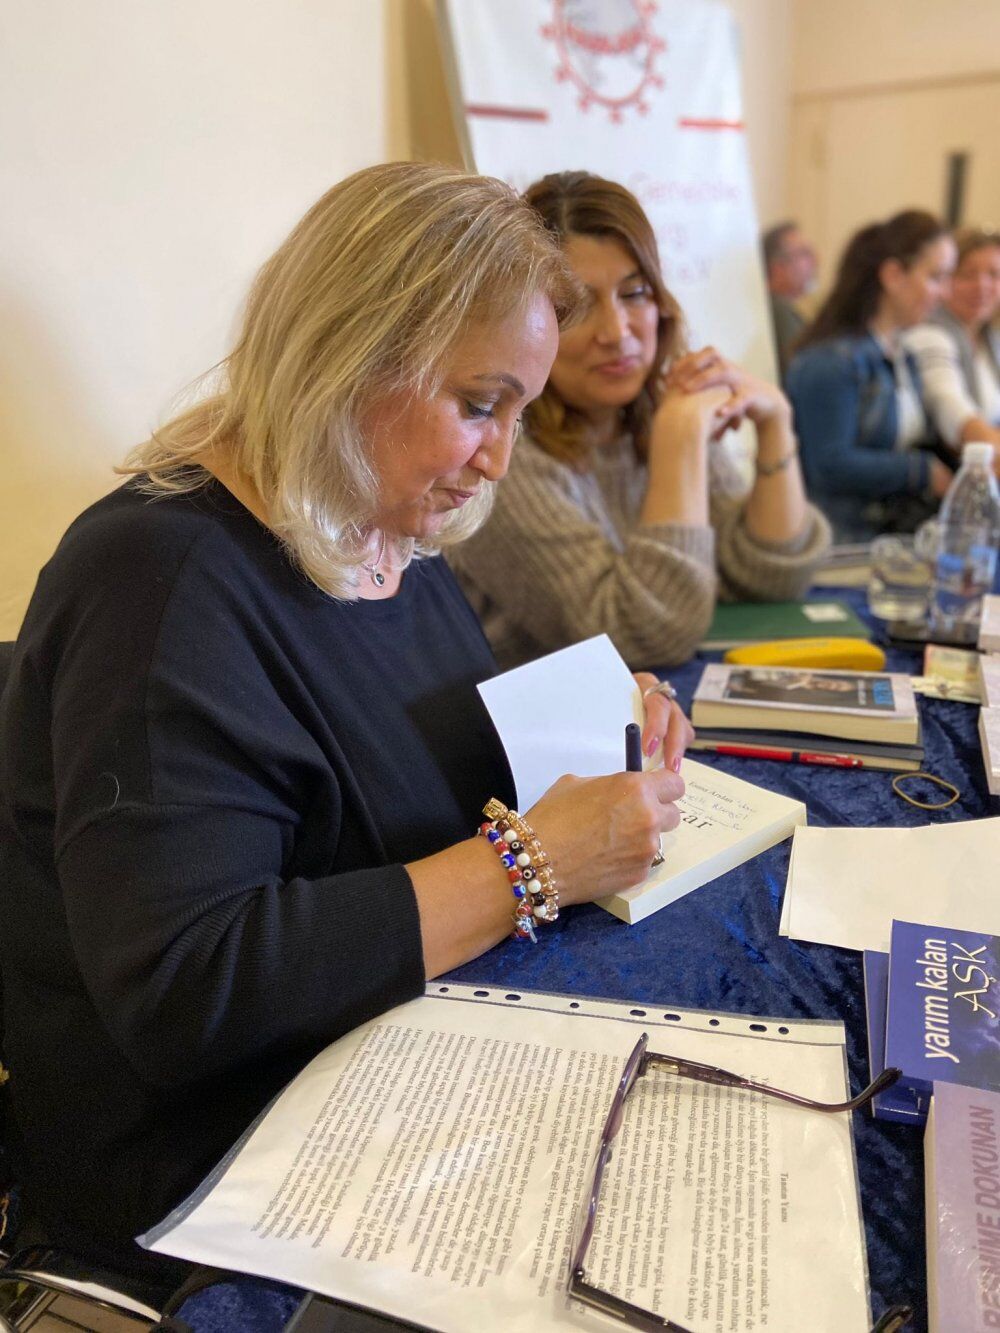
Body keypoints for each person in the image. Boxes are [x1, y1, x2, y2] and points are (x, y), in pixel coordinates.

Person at [0, 163, 693, 1285]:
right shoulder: (158, 581)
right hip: (215, 1160)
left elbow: (407, 751)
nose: (500, 458)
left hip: (388, 1052)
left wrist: (593, 720)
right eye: (479, 405)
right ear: (351, 357)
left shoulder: (382, 520)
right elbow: (189, 988)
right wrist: (530, 866)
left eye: (519, 411)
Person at [448, 171, 831, 672]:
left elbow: (769, 576)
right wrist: (678, 444)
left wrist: (776, 422)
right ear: (531, 322)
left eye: (634, 294)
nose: (616, 332)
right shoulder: (502, 453)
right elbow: (638, 636)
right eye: (578, 305)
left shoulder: (655, 411)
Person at [785, 210, 956, 542]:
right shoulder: (830, 362)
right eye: (936, 277)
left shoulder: (902, 353)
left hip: (885, 536)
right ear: (893, 275)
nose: (944, 293)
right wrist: (921, 471)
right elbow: (829, 465)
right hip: (839, 543)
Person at [904, 227, 1000, 460]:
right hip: (947, 469)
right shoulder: (927, 334)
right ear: (944, 280)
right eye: (967, 275)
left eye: (994, 274)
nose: (982, 286)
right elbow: (949, 405)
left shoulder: (992, 341)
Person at [761, 220, 818, 379]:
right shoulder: (779, 311)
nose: (815, 261)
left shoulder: (776, 308)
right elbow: (802, 373)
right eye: (804, 254)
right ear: (778, 267)